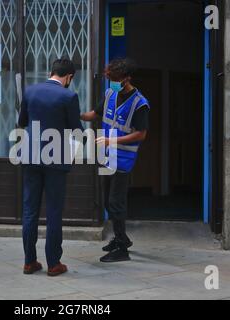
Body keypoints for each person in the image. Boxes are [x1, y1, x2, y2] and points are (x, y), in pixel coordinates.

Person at [18, 58, 83, 277]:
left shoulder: (30, 91)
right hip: (56, 158)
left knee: (30, 211)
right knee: (54, 211)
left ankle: (29, 262)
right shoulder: (69, 96)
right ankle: (53, 264)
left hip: (30, 157)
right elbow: (77, 131)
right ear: (69, 77)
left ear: (51, 71)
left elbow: (22, 121)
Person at [81, 58, 150, 263]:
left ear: (126, 78)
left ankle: (121, 249)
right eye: (109, 78)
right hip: (107, 157)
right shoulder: (110, 93)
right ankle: (122, 238)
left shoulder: (140, 103)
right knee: (106, 203)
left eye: (115, 79)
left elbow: (141, 134)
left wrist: (113, 140)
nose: (111, 82)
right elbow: (94, 114)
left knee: (116, 202)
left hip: (123, 159)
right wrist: (73, 113)